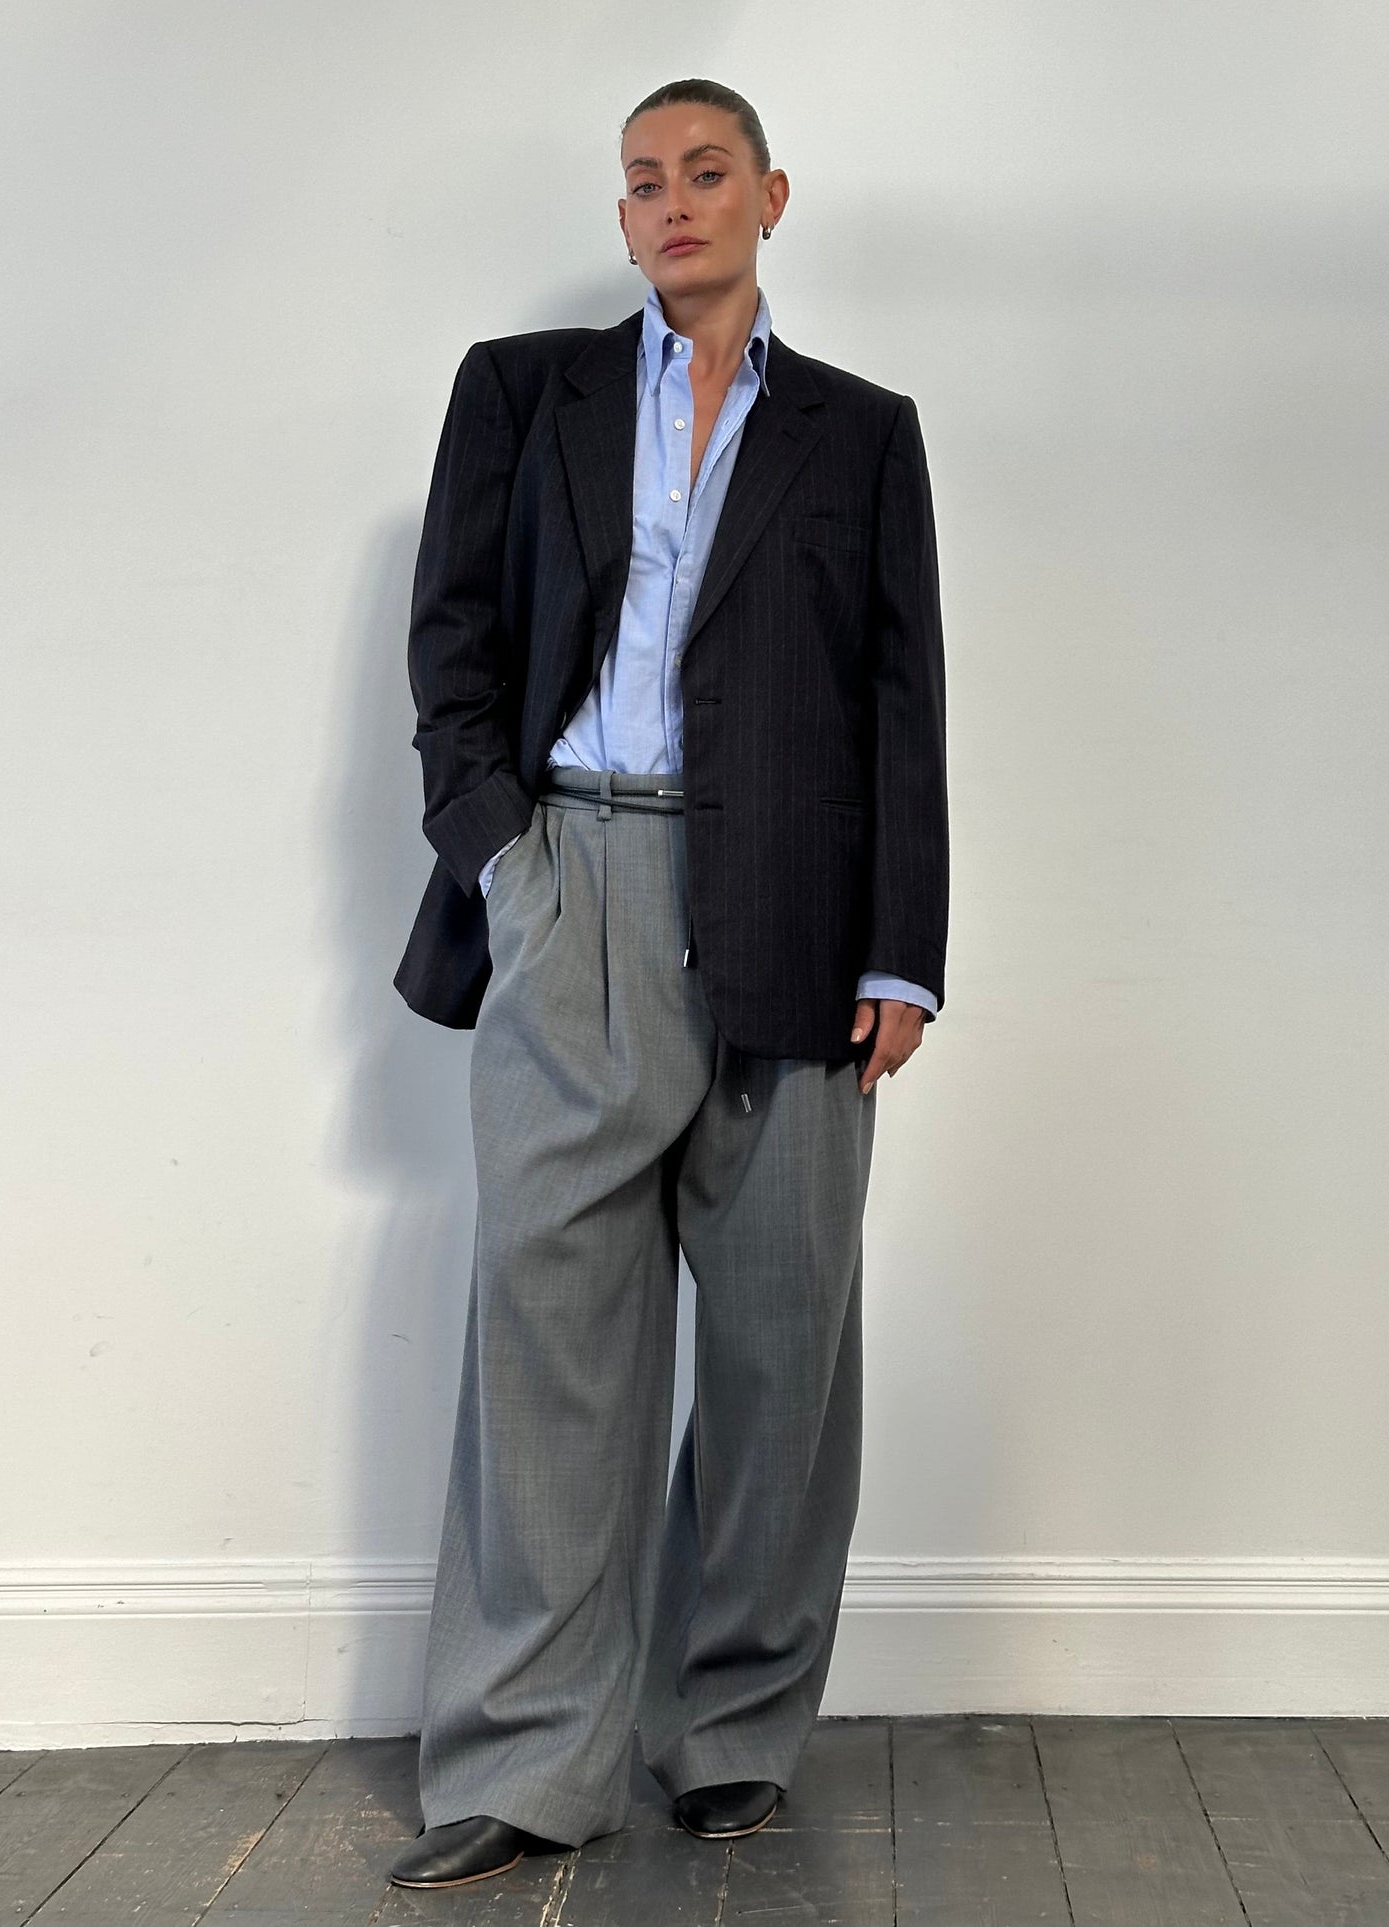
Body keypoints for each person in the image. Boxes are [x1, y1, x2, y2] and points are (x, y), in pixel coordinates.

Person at [388, 75, 949, 1891]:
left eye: (707, 172)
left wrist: (902, 951)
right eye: (643, 182)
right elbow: (453, 651)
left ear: (771, 197)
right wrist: (507, 864)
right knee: (548, 1338)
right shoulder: (518, 392)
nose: (674, 202)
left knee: (783, 1348)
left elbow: (900, 705)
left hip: (798, 915)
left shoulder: (860, 433)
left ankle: (730, 1733)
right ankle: (526, 1761)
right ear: (622, 217)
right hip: (574, 881)